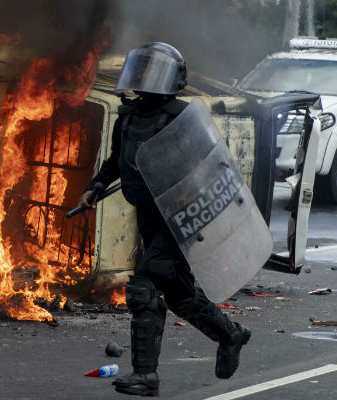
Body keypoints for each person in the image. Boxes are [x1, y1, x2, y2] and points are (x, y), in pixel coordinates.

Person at [79, 42, 251, 397]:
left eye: (152, 73)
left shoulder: (182, 118)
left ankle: (146, 376)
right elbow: (116, 159)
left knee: (143, 288)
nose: (144, 80)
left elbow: (209, 170)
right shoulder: (127, 117)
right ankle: (230, 335)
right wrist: (96, 186)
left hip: (180, 220)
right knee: (180, 296)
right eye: (141, 71)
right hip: (149, 217)